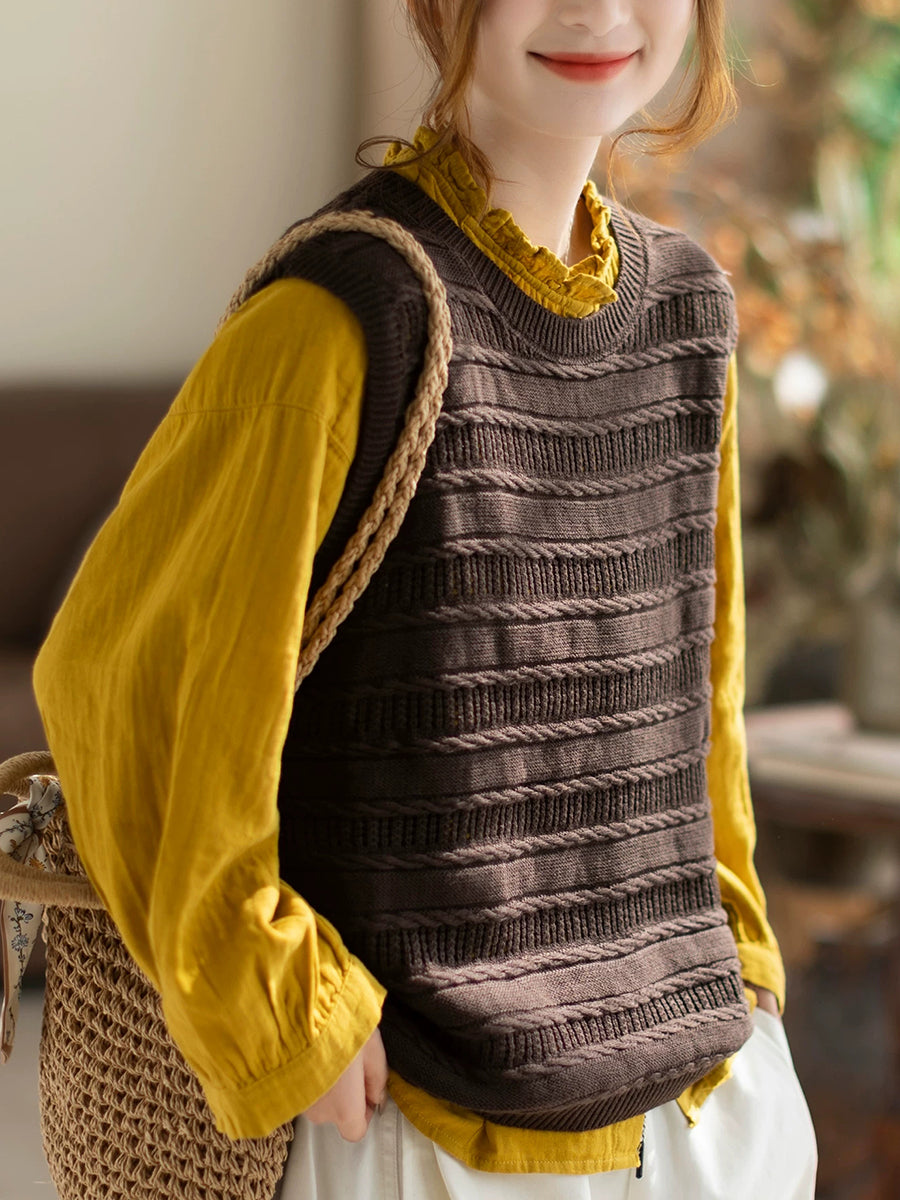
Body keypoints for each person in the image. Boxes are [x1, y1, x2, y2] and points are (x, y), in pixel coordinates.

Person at [32, 1, 817, 1196]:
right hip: (429, 1122)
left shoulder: (688, 311)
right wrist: (285, 1010)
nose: (597, 9)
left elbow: (697, 693)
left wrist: (744, 957)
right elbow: (119, 678)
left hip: (701, 1100)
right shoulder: (343, 316)